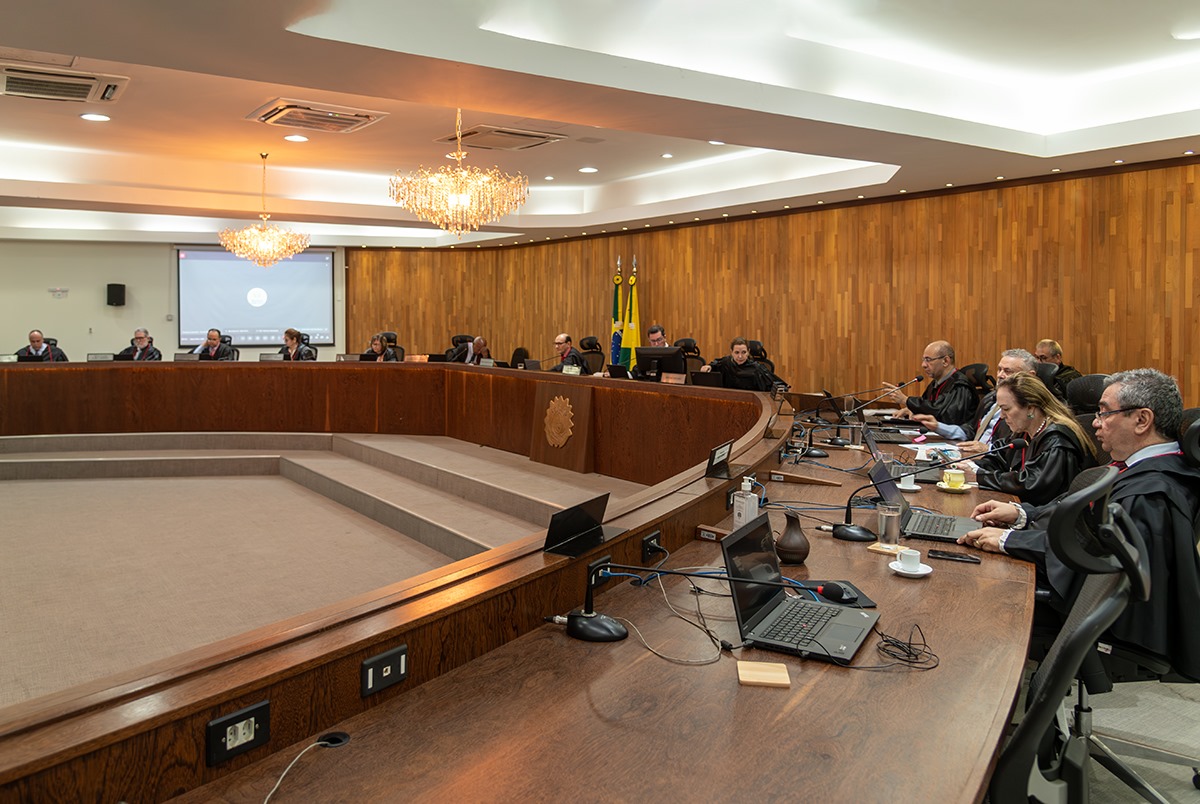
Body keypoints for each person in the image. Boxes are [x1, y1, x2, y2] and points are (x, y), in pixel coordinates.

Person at [960, 369, 1200, 679]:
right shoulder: (1139, 469)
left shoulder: (1152, 493)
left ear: (1142, 420)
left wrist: (1009, 540)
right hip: (1071, 582)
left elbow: (1092, 554)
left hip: (1097, 618)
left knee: (972, 582)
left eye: (1104, 413)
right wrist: (1023, 515)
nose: (1095, 422)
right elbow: (1079, 516)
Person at [970, 372, 1096, 506]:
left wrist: (980, 476)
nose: (1001, 416)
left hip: (1053, 514)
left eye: (1006, 409)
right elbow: (1000, 458)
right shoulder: (1024, 431)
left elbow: (1033, 486)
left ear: (1030, 408)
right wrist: (970, 466)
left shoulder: (1057, 440)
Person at [914, 348, 1036, 452]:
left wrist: (987, 449)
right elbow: (970, 432)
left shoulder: (1027, 409)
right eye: (999, 369)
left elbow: (1018, 450)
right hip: (972, 456)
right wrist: (938, 426)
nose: (1000, 375)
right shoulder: (990, 399)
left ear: (1030, 375)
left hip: (991, 462)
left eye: (1008, 371)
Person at [883, 340, 976, 426]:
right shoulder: (936, 383)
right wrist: (911, 410)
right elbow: (928, 406)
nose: (923, 365)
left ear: (945, 361)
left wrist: (906, 400)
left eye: (928, 360)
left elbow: (945, 415)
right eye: (923, 360)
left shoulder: (960, 386)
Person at [699, 337, 774, 391]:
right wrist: (709, 366)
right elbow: (716, 364)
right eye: (736, 352)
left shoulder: (757, 368)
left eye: (743, 352)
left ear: (748, 352)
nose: (740, 356)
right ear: (731, 352)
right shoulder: (726, 362)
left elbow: (773, 385)